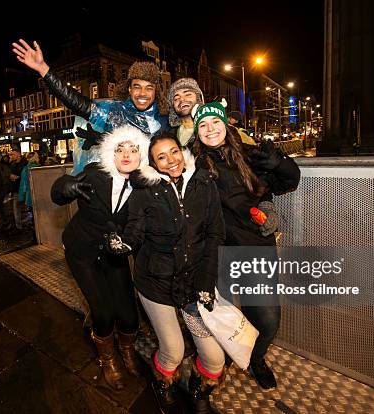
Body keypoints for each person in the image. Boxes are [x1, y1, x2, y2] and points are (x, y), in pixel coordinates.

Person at [112, 134, 226, 413]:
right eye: (161, 157)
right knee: (173, 350)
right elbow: (135, 230)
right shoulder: (145, 190)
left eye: (173, 152)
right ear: (153, 164)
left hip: (194, 285)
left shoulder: (203, 183)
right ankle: (163, 381)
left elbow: (215, 234)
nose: (170, 160)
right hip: (156, 283)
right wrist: (124, 244)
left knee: (214, 359)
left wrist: (206, 282)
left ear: (182, 152)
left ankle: (200, 387)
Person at [191, 100, 301, 390]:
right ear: (197, 132)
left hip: (254, 248)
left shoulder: (249, 154)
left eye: (215, 122)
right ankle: (223, 359)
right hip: (215, 254)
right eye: (203, 125)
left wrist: (278, 162)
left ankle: (257, 359)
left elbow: (290, 180)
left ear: (226, 124)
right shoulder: (194, 163)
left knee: (267, 320)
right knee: (220, 319)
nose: (210, 129)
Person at [50, 125, 156, 391]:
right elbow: (59, 190)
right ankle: (107, 359)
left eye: (134, 149)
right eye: (120, 149)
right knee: (103, 313)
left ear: (141, 154)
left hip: (114, 252)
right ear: (112, 152)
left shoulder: (143, 186)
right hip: (81, 250)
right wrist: (66, 186)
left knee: (130, 315)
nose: (127, 155)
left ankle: (128, 352)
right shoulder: (96, 174)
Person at [11, 39, 169, 172]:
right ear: (129, 89)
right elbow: (77, 103)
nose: (142, 93)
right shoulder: (115, 113)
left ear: (156, 92)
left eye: (149, 88)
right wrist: (43, 69)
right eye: (137, 87)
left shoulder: (164, 120)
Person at [167, 78, 204, 147]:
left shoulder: (211, 129)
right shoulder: (169, 135)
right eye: (176, 98)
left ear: (198, 98)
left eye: (187, 94)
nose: (182, 99)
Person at [9, 149, 27, 230]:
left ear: (19, 154)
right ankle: (18, 226)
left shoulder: (25, 163)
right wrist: (10, 176)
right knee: (16, 208)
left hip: (24, 188)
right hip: (16, 189)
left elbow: (26, 175)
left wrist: (18, 177)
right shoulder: (12, 164)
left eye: (13, 154)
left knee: (29, 206)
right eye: (11, 155)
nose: (11, 156)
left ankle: (34, 223)